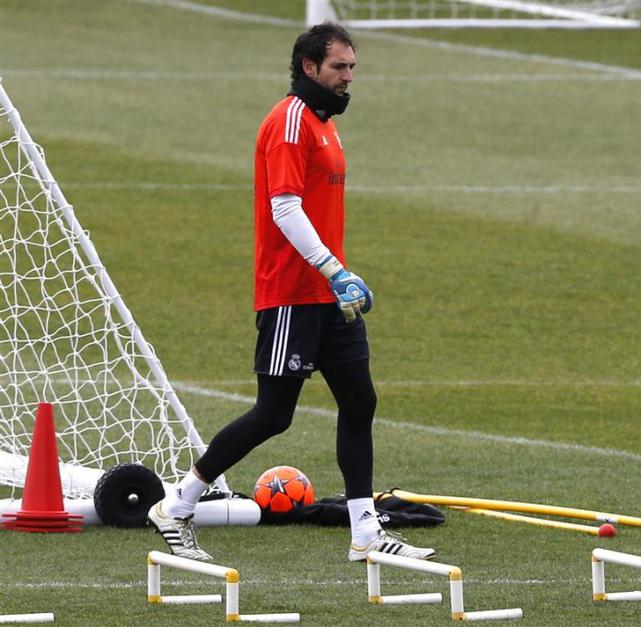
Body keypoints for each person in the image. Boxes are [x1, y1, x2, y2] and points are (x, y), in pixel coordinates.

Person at [147, 23, 435, 562]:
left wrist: (337, 276)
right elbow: (284, 208)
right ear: (309, 67)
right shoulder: (290, 123)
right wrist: (333, 269)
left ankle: (365, 533)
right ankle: (176, 505)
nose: (348, 77)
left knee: (360, 401)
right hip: (292, 293)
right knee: (273, 414)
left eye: (352, 67)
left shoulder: (325, 124)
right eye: (339, 67)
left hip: (329, 294)